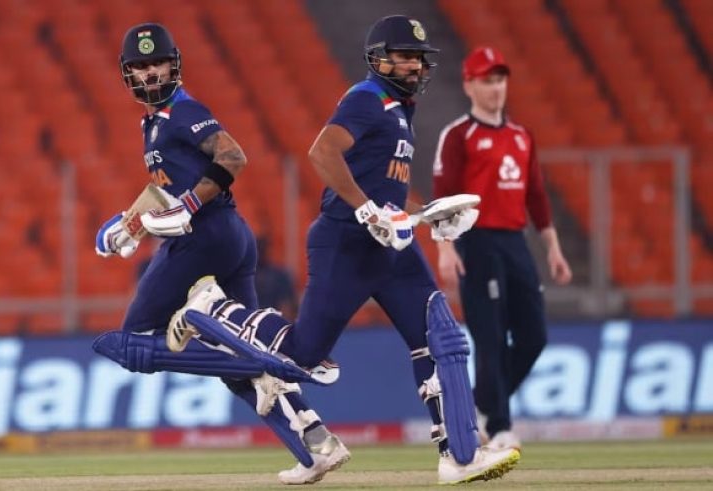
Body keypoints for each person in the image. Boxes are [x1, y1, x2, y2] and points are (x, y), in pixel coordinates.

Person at [167, 16, 520, 485]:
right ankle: (214, 310)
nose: (415, 65)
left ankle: (459, 454)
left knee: (443, 337)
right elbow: (322, 152)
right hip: (347, 243)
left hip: (391, 247)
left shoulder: (399, 109)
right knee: (301, 354)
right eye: (405, 55)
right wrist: (369, 211)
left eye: (419, 57)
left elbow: (386, 191)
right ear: (379, 58)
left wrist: (426, 212)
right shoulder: (367, 98)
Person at [91, 23, 350, 485]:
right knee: (242, 367)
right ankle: (317, 445)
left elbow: (233, 158)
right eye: (141, 67)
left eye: (158, 64)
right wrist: (128, 225)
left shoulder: (182, 110)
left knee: (127, 342)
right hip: (230, 237)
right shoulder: (154, 122)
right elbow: (167, 192)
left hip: (203, 238)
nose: (151, 74)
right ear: (128, 74)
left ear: (175, 65)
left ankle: (201, 314)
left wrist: (187, 205)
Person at [432, 46, 573, 451]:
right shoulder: (460, 135)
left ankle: (477, 406)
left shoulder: (521, 136)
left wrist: (553, 248)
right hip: (477, 241)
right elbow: (444, 194)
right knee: (490, 336)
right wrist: (446, 247)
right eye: (486, 80)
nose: (495, 88)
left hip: (515, 242)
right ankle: (500, 425)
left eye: (499, 80)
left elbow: (537, 196)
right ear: (468, 85)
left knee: (533, 336)